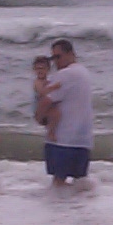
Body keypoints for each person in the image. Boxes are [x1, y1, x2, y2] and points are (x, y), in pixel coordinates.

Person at [35, 38, 93, 187]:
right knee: (79, 185)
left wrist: (39, 118)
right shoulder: (84, 73)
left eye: (58, 57)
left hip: (62, 140)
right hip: (83, 141)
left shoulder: (65, 74)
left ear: (71, 54)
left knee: (58, 183)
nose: (56, 62)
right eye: (53, 58)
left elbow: (46, 100)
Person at [32, 55, 61, 142]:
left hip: (48, 108)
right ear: (34, 70)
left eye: (42, 68)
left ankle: (52, 130)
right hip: (40, 110)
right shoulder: (37, 82)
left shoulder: (48, 81)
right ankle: (50, 132)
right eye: (38, 69)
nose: (40, 71)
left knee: (57, 113)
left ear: (48, 70)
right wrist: (54, 87)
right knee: (53, 110)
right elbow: (42, 92)